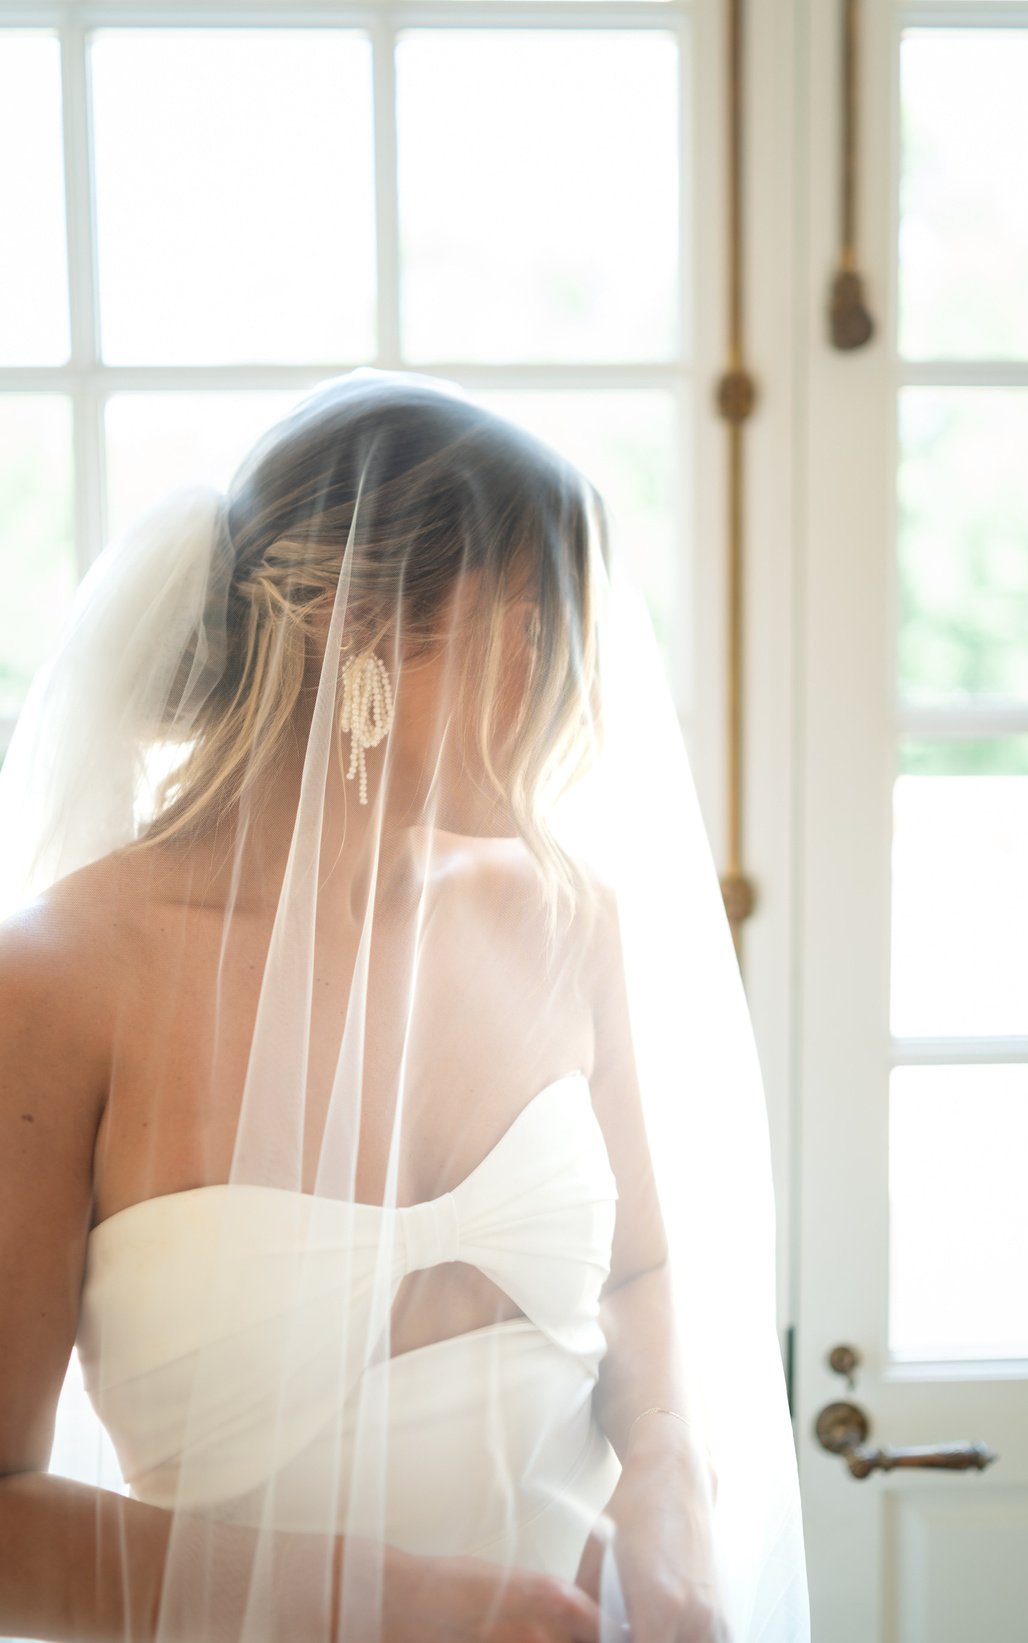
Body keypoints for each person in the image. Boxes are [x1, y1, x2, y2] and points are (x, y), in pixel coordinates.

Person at [0, 369, 811, 1642]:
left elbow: (642, 1268)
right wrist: (398, 1608)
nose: (582, 706)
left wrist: (662, 1468)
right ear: (358, 627)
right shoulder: (57, 978)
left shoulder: (564, 911)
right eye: (537, 638)